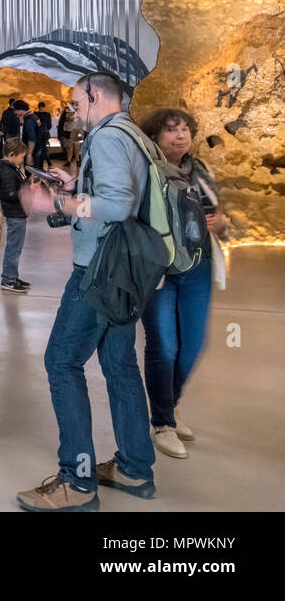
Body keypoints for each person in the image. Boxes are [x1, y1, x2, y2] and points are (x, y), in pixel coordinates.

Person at [16, 71, 155, 511]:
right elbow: (122, 192)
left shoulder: (108, 136)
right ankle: (134, 468)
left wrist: (56, 202)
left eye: (77, 102)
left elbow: (118, 205)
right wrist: (78, 186)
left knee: (61, 361)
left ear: (95, 95)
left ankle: (77, 482)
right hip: (127, 270)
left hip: (99, 272)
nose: (74, 111)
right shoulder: (133, 133)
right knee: (119, 365)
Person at [138, 108, 226, 459]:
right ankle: (162, 422)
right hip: (160, 270)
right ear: (155, 136)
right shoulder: (145, 172)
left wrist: (221, 223)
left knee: (192, 345)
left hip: (198, 266)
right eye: (171, 130)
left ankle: (169, 407)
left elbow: (219, 215)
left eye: (185, 129)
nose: (180, 135)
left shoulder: (200, 170)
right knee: (164, 347)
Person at [0, 138, 31, 293]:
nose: (22, 160)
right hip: (14, 214)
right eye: (21, 157)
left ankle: (12, 276)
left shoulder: (12, 167)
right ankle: (8, 279)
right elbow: (10, 193)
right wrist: (27, 190)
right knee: (13, 248)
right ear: (11, 154)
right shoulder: (6, 170)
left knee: (16, 247)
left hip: (18, 213)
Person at [34, 102, 53, 169]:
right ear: (44, 107)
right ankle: (46, 163)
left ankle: (42, 165)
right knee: (44, 149)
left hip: (37, 134)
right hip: (45, 133)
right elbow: (49, 126)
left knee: (40, 148)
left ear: (38, 106)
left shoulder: (35, 114)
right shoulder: (47, 114)